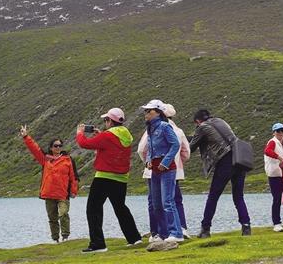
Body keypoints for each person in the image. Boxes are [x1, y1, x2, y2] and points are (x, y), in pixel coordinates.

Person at [76, 107, 142, 253]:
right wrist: (101, 135)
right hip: (121, 178)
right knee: (120, 207)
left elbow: (84, 143)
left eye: (106, 120)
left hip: (104, 177)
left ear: (110, 121)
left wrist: (80, 133)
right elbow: (111, 145)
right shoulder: (126, 135)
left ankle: (98, 244)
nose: (105, 122)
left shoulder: (107, 136)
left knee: (93, 209)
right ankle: (134, 238)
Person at [189, 109, 252, 238]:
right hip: (238, 158)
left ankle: (205, 229)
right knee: (238, 196)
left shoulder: (202, 127)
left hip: (225, 161)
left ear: (197, 121)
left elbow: (191, 147)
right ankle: (246, 226)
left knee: (213, 196)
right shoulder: (220, 121)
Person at [137, 103, 191, 242]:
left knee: (167, 201)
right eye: (145, 111)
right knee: (156, 204)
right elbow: (150, 148)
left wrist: (165, 161)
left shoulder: (165, 126)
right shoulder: (150, 128)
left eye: (149, 111)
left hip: (167, 168)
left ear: (157, 112)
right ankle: (163, 234)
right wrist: (148, 160)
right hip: (155, 168)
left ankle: (176, 233)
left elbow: (175, 144)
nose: (146, 114)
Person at [19, 125, 79, 243]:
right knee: (52, 218)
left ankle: (65, 236)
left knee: (63, 214)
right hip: (49, 194)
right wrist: (26, 136)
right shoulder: (45, 159)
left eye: (60, 145)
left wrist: (73, 191)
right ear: (51, 147)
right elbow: (35, 149)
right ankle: (55, 239)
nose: (58, 147)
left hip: (63, 194)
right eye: (56, 146)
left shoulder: (68, 159)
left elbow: (74, 177)